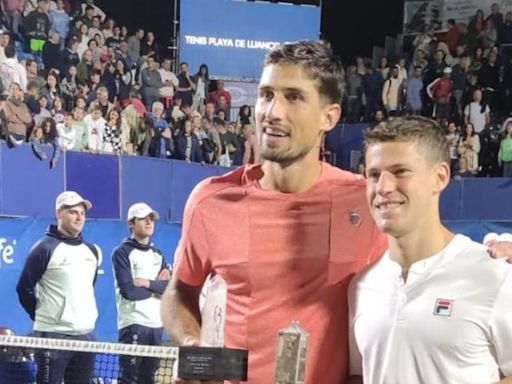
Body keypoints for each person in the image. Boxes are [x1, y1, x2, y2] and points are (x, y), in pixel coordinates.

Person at [160, 40, 387, 384]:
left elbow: (425, 271)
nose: (272, 111)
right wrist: (196, 347)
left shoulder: (366, 203)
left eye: (293, 97)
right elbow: (179, 292)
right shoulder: (211, 200)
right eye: (266, 94)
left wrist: (494, 251)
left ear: (329, 116)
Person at [348, 116, 512, 383]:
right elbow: (360, 375)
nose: (383, 188)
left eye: (400, 171)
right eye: (374, 174)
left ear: (440, 177)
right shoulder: (361, 286)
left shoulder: (495, 275)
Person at [16, 191, 99, 384]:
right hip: (52, 336)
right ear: (58, 213)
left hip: (86, 335)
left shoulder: (91, 251)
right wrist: (43, 315)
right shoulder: (43, 248)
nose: (79, 217)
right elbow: (24, 288)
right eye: (73, 212)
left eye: (82, 213)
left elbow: (88, 286)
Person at [112, 203, 170, 384]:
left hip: (156, 326)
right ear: (131, 223)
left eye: (151, 218)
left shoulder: (158, 254)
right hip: (133, 325)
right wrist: (156, 288)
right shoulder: (122, 252)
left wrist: (146, 283)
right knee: (129, 379)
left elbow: (167, 289)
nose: (149, 222)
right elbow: (129, 292)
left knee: (149, 379)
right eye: (144, 218)